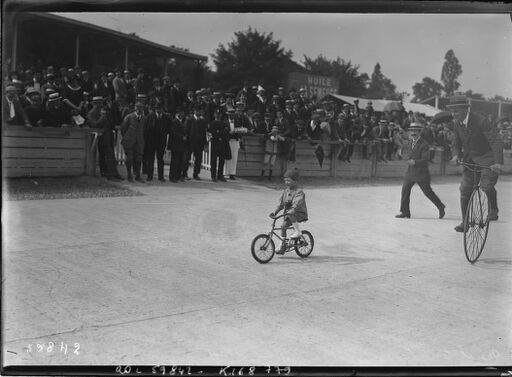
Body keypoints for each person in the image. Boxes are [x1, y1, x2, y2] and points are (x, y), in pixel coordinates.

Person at [448, 95, 503, 231]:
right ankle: (465, 222)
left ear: (466, 109)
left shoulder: (481, 121)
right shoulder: (456, 124)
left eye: (457, 111)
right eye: (453, 111)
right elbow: (455, 143)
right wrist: (455, 156)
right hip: (470, 160)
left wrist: (497, 162)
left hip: (487, 158)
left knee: (486, 186)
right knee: (465, 190)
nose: (454, 114)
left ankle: (493, 208)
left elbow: (495, 140)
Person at [395, 123, 446, 219]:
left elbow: (426, 158)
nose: (413, 133)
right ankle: (405, 212)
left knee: (428, 192)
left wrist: (415, 162)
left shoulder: (425, 144)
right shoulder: (409, 143)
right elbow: (406, 154)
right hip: (410, 172)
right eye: (411, 131)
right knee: (405, 190)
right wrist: (402, 155)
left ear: (419, 132)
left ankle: (440, 206)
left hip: (421, 173)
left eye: (415, 131)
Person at [269, 168, 308, 254]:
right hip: (289, 213)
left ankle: (297, 231)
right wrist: (275, 212)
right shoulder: (285, 192)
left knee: (291, 214)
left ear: (295, 181)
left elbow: (297, 203)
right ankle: (282, 244)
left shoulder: (299, 192)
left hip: (299, 213)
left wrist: (292, 209)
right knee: (283, 226)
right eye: (285, 180)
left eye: (289, 181)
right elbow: (281, 204)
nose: (286, 182)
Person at [87, 96, 123, 181]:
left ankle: (112, 173)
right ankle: (110, 174)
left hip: (109, 136)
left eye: (101, 103)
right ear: (93, 104)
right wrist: (103, 117)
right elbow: (95, 125)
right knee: (107, 155)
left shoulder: (106, 112)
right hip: (100, 137)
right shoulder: (91, 113)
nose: (100, 105)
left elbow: (113, 122)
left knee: (110, 155)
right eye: (98, 103)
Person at [143, 101, 171, 181]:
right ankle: (150, 176)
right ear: (155, 109)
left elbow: (169, 129)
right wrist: (147, 141)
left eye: (160, 108)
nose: (159, 110)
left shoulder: (166, 118)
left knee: (160, 159)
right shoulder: (150, 116)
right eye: (157, 108)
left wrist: (163, 134)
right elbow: (146, 129)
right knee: (150, 159)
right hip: (151, 141)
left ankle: (161, 176)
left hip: (161, 142)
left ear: (162, 109)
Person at [120, 101, 146, 182]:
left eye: (141, 108)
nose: (139, 110)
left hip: (139, 142)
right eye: (138, 108)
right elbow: (123, 128)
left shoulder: (144, 119)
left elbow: (144, 130)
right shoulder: (129, 117)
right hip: (129, 141)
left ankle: (138, 176)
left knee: (138, 159)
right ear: (135, 108)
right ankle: (129, 176)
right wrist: (128, 137)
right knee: (129, 159)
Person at [184, 105, 208, 180]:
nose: (198, 112)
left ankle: (196, 174)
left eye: (199, 111)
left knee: (198, 160)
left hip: (199, 143)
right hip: (190, 143)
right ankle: (184, 173)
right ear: (194, 111)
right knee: (186, 159)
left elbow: (204, 133)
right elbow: (186, 131)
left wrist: (205, 143)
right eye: (197, 111)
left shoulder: (202, 121)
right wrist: (186, 141)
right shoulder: (189, 120)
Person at [208, 109, 230, 182]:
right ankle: (213, 176)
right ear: (214, 115)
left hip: (222, 143)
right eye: (216, 114)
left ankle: (220, 175)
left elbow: (225, 132)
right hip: (215, 143)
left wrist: (219, 133)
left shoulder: (223, 124)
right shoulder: (211, 123)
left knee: (221, 160)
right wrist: (219, 134)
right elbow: (212, 132)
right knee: (213, 160)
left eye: (219, 114)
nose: (218, 115)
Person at [167, 107, 187, 182]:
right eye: (181, 113)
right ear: (177, 114)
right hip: (175, 144)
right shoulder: (174, 122)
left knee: (180, 161)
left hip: (181, 145)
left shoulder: (182, 122)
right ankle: (172, 177)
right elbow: (172, 133)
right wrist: (182, 137)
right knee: (174, 161)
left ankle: (178, 176)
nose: (182, 114)